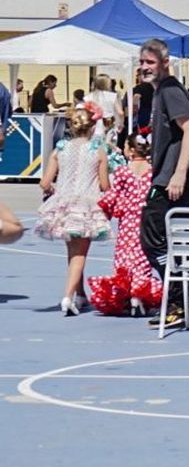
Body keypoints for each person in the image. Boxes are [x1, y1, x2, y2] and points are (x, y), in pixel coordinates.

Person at [138, 40, 189, 330]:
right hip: (166, 175)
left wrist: (179, 173)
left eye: (150, 63)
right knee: (179, 242)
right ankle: (187, 303)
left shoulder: (171, 90)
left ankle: (178, 300)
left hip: (172, 180)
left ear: (165, 63)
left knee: (153, 238)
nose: (144, 68)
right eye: (142, 62)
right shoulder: (160, 92)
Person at [35, 107, 110, 315]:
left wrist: (53, 189)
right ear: (92, 127)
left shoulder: (60, 149)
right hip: (86, 204)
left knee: (72, 251)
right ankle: (68, 296)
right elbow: (105, 185)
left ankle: (80, 293)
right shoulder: (97, 150)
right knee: (80, 253)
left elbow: (44, 182)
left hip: (64, 203)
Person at [86, 136, 162, 316]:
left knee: (125, 257)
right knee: (143, 257)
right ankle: (139, 294)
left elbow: (112, 196)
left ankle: (129, 294)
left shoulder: (123, 171)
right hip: (146, 220)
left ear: (131, 150)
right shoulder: (152, 172)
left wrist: (102, 209)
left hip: (127, 222)